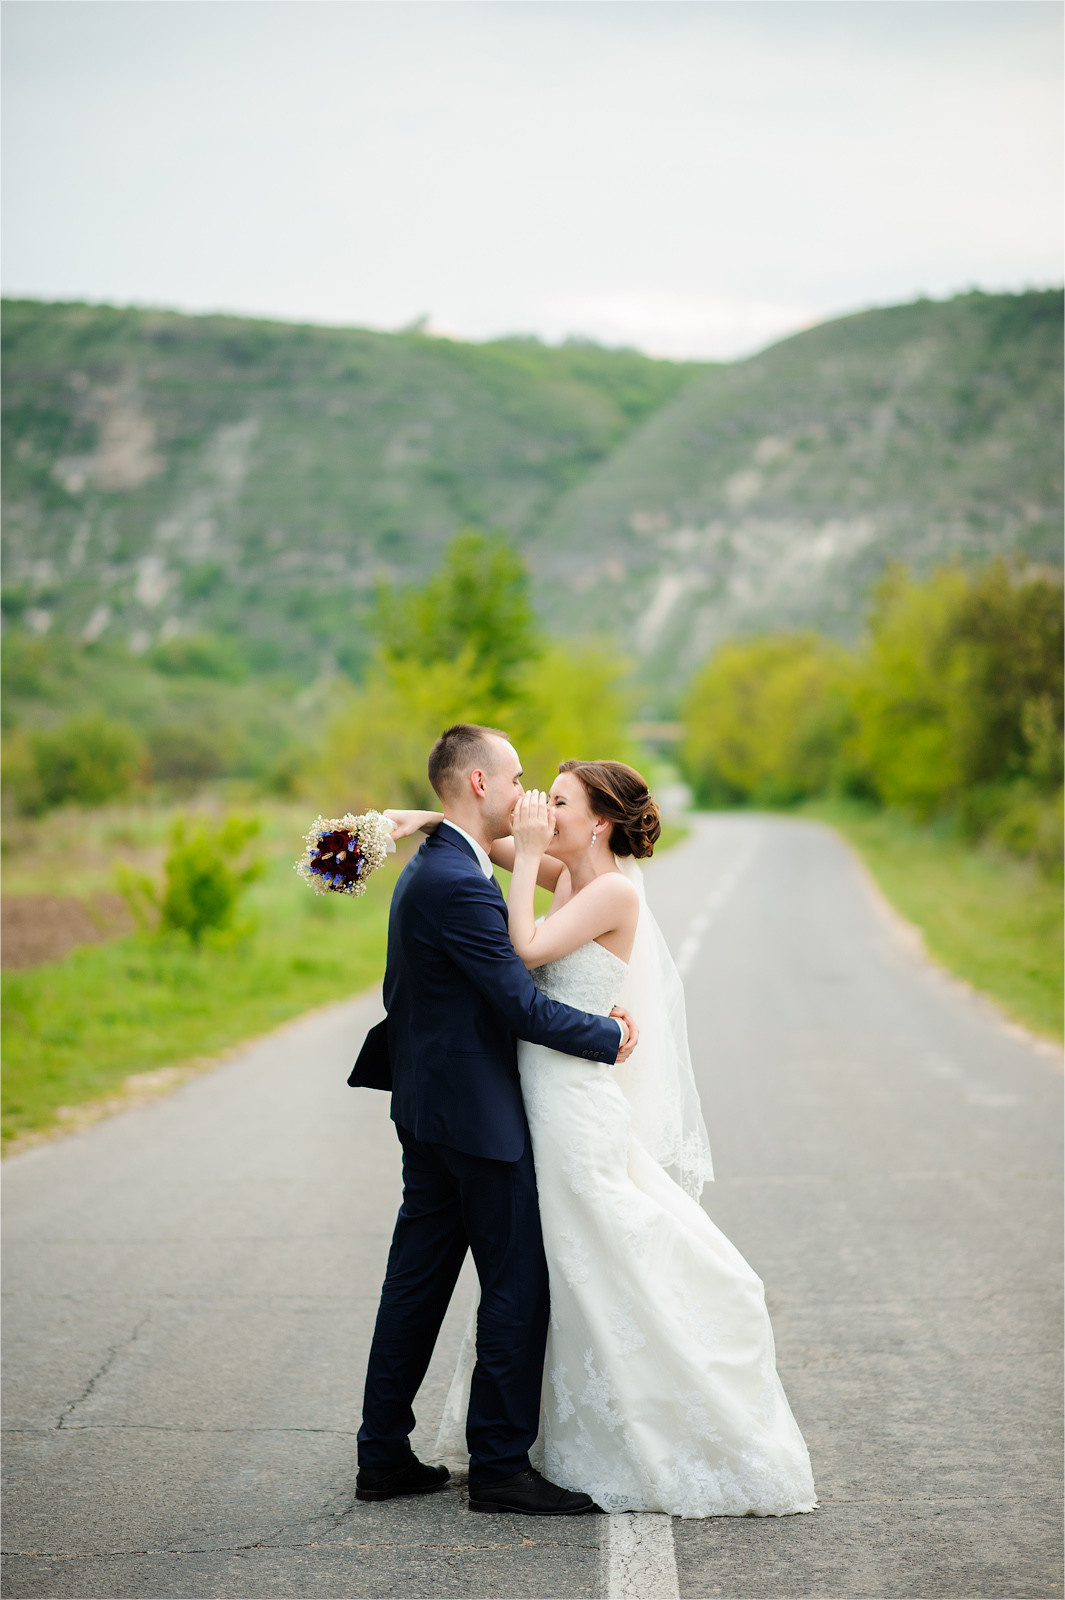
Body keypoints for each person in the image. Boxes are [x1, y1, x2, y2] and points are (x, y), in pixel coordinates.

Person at [396, 759, 817, 1518]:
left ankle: (641, 1422)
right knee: (552, 1260)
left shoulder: (609, 887)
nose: (535, 807)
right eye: (536, 794)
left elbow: (522, 950)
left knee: (590, 1251)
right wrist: (424, 821)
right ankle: (532, 1436)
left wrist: (526, 855)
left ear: (596, 821)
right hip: (538, 1092)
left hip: (570, 1101)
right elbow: (480, 842)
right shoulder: (563, 866)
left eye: (554, 800)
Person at [354, 725, 639, 1518]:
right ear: (481, 785)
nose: (528, 795)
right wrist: (608, 1036)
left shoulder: (443, 861)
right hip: (474, 1119)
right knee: (516, 1284)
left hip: (430, 1108)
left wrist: (415, 816)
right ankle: (501, 1469)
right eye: (516, 778)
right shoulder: (461, 883)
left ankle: (382, 1456)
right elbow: (519, 1003)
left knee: (416, 1283)